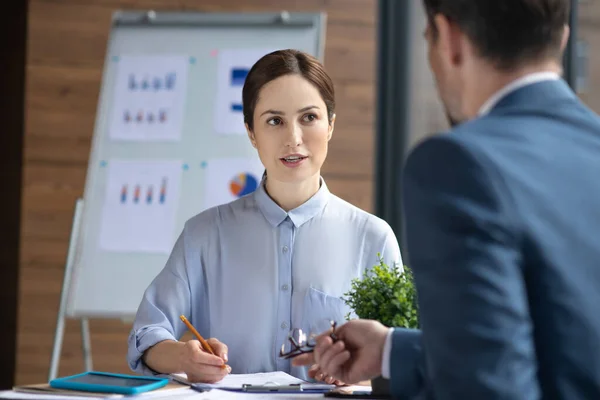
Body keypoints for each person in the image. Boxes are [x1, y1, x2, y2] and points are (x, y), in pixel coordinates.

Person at [293, 0, 600, 398]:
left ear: (449, 39)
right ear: (561, 37)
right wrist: (391, 351)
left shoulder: (459, 165)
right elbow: (564, 350)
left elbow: (485, 389)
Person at [126, 49, 402, 385]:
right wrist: (184, 357)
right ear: (251, 132)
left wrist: (356, 377)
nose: (293, 139)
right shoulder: (204, 234)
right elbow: (146, 334)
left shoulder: (372, 237)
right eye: (275, 121)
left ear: (330, 125)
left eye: (309, 118)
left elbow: (399, 357)